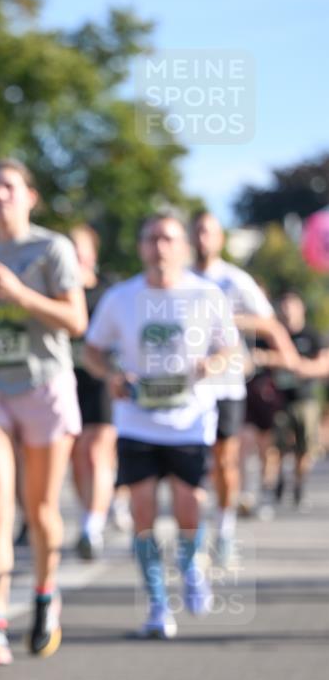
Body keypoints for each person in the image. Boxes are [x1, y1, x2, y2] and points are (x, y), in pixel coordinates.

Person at [84, 212, 238, 638]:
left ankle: (191, 567)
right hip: (137, 420)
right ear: (141, 247)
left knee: (190, 507)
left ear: (183, 246)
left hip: (189, 420)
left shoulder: (206, 295)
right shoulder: (121, 297)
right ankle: (156, 603)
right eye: (152, 238)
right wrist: (112, 375)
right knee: (143, 513)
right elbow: (93, 350)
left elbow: (229, 346)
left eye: (169, 238)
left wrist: (213, 363)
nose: (160, 247)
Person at [0, 159, 86, 664]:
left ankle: (44, 595)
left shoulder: (52, 248)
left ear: (30, 195)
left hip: (42, 385)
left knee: (39, 509)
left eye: (9, 186)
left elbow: (76, 320)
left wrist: (19, 294)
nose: (0, 194)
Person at [191, 211, 296, 561]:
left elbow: (268, 322)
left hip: (226, 384)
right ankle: (192, 531)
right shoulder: (181, 279)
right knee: (190, 461)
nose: (201, 238)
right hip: (187, 386)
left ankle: (224, 529)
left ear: (220, 239)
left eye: (208, 232)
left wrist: (227, 316)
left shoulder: (234, 280)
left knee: (224, 460)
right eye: (197, 231)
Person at [68, 224, 117, 559]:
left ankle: (93, 526)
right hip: (67, 379)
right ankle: (91, 513)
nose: (73, 254)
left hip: (103, 380)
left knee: (96, 451)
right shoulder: (56, 291)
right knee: (76, 457)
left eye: (79, 248)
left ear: (92, 255)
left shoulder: (108, 292)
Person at [269, 291, 323, 507]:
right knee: (277, 447)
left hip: (305, 399)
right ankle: (277, 482)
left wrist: (299, 366)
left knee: (305, 448)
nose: (288, 312)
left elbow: (323, 364)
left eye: (292, 307)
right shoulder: (275, 334)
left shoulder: (313, 335)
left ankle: (299, 486)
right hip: (278, 400)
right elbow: (260, 358)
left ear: (301, 309)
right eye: (284, 308)